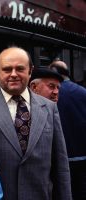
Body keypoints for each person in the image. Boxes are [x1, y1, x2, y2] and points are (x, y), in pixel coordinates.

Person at [0, 46, 71, 200]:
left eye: (20, 69)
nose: (13, 74)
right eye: (7, 69)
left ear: (30, 70)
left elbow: (60, 166)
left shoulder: (49, 108)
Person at [49, 60, 86, 200]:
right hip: (83, 154)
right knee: (82, 191)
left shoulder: (50, 94)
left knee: (63, 191)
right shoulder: (83, 92)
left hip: (61, 155)